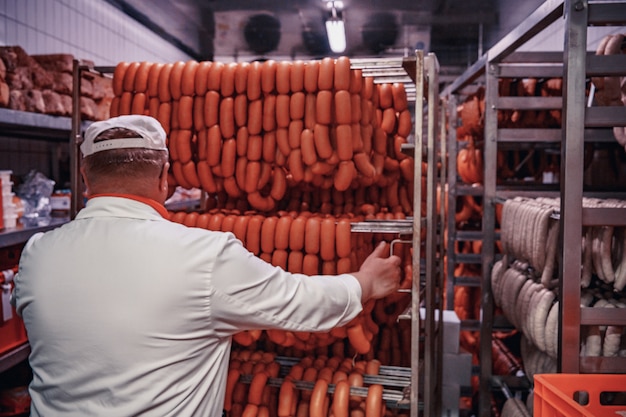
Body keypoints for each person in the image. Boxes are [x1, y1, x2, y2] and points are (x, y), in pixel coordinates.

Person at [12, 115, 402, 416]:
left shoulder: (35, 254)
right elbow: (300, 301)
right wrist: (365, 282)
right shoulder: (204, 255)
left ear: (84, 178)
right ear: (165, 178)